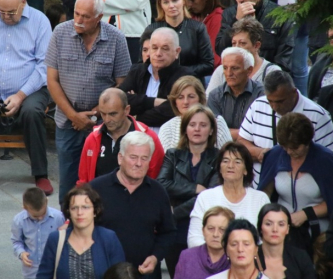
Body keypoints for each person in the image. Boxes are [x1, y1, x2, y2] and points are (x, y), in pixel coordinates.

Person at [45, 0, 131, 203]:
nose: (79, 20)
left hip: (104, 123)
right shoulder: (60, 33)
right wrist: (74, 116)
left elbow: (123, 85)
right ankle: (68, 224)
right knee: (67, 183)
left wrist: (93, 115)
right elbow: (52, 80)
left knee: (102, 180)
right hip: (67, 122)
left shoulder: (116, 39)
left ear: (99, 18)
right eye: (76, 14)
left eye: (85, 16)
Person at [0, 0, 53, 193]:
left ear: (24, 3)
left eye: (11, 12)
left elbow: (44, 65)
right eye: (1, 12)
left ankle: (40, 174)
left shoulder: (39, 21)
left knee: (32, 111)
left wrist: (21, 95)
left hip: (31, 87)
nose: (6, 17)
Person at [258, 113, 333, 257]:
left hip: (317, 229)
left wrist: (305, 214)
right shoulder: (276, 155)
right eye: (285, 147)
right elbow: (265, 193)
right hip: (280, 226)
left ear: (307, 142)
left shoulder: (325, 160)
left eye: (294, 148)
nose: (289, 152)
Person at [90, 131, 176, 279]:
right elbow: (80, 230)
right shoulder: (96, 189)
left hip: (144, 274)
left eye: (144, 158)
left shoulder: (158, 192)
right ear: (120, 158)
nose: (138, 163)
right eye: (133, 157)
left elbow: (168, 232)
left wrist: (156, 257)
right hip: (102, 273)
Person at [238, 70, 333, 187]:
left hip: (304, 195)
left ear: (294, 92)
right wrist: (260, 153)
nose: (274, 107)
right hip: (261, 190)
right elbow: (241, 142)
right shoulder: (257, 106)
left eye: (280, 101)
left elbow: (330, 161)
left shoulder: (318, 115)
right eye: (270, 101)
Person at [157, 104, 221, 277]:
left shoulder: (219, 157)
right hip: (175, 230)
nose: (197, 129)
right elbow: (161, 183)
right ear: (185, 129)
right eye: (192, 125)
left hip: (203, 228)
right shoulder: (173, 154)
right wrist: (194, 188)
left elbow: (209, 196)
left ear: (211, 130)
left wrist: (174, 213)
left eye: (203, 125)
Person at [187, 142, 270, 248]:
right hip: (212, 261)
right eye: (225, 161)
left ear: (246, 170)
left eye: (237, 162)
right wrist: (220, 255)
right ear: (220, 168)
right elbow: (194, 239)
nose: (230, 166)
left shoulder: (260, 199)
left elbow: (266, 240)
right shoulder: (205, 197)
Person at [77, 88, 165, 184]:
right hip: (99, 198)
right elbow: (83, 181)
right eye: (103, 114)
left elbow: (156, 181)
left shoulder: (148, 138)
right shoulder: (93, 138)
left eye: (112, 114)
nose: (107, 120)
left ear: (127, 110)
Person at [37, 184, 125, 279]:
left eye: (85, 207)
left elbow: (120, 275)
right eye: (74, 208)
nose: (79, 213)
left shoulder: (109, 238)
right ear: (69, 212)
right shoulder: (55, 239)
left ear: (95, 211)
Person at [215, 0, 294, 73]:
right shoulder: (229, 14)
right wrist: (236, 21)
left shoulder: (279, 14)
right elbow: (220, 49)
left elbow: (284, 57)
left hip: (269, 75)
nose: (239, 0)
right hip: (237, 74)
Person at [118, 27, 192, 133]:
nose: (158, 53)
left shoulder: (186, 77)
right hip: (134, 139)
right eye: (154, 48)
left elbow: (173, 111)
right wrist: (153, 102)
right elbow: (120, 99)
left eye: (165, 48)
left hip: (169, 140)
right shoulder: (137, 71)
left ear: (177, 52)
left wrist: (136, 116)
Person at [144, 0, 214, 82]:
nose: (171, 5)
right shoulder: (151, 30)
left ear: (184, 1)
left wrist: (179, 73)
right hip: (160, 84)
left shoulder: (198, 28)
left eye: (175, 0)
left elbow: (208, 64)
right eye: (166, 2)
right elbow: (143, 63)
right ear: (160, 5)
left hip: (191, 84)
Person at [206, 17, 281, 95]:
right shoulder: (221, 71)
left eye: (242, 43)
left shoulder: (271, 72)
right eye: (234, 43)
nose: (237, 48)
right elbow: (208, 102)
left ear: (256, 45)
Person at [158, 76, 232, 152]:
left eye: (191, 96)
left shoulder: (217, 122)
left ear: (200, 99)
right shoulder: (167, 129)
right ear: (175, 102)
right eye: (180, 97)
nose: (186, 102)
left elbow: (229, 155)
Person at [208, 47, 264, 140]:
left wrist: (225, 132)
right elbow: (213, 131)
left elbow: (260, 132)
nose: (229, 73)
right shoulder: (215, 95)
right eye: (225, 68)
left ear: (249, 70)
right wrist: (247, 133)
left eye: (234, 68)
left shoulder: (261, 95)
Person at [11, 188, 65, 279]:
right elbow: (16, 241)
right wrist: (21, 253)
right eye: (35, 216)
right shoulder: (19, 221)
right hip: (32, 269)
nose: (40, 218)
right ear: (25, 208)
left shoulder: (58, 217)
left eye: (43, 214)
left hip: (54, 267)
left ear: (47, 202)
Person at [256, 203, 316, 279]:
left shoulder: (301, 257)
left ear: (287, 229)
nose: (275, 229)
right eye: (268, 224)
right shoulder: (249, 257)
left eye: (281, 224)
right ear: (260, 227)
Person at [174, 206, 235, 279]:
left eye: (222, 230)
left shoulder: (236, 258)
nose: (215, 234)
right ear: (203, 231)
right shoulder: (186, 257)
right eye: (210, 228)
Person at [184, 0, 224, 69]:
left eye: (193, 0)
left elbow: (214, 56)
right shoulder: (190, 17)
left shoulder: (218, 18)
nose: (189, 4)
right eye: (187, 0)